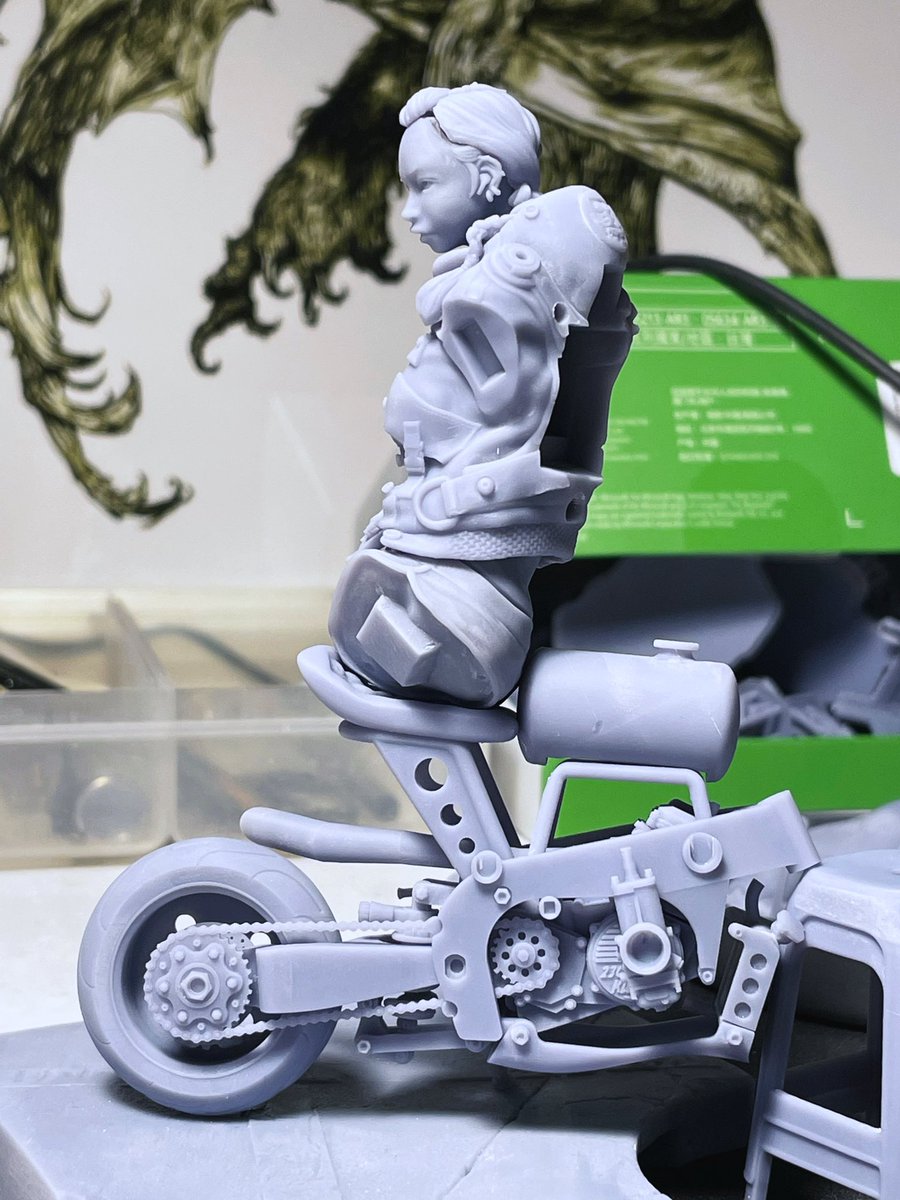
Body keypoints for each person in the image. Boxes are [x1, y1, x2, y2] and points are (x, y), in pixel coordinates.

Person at [329, 83, 636, 706]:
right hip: (435, 547)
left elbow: (508, 406)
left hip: (457, 582)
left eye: (425, 185)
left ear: (488, 177)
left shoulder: (497, 288)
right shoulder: (481, 279)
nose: (409, 211)